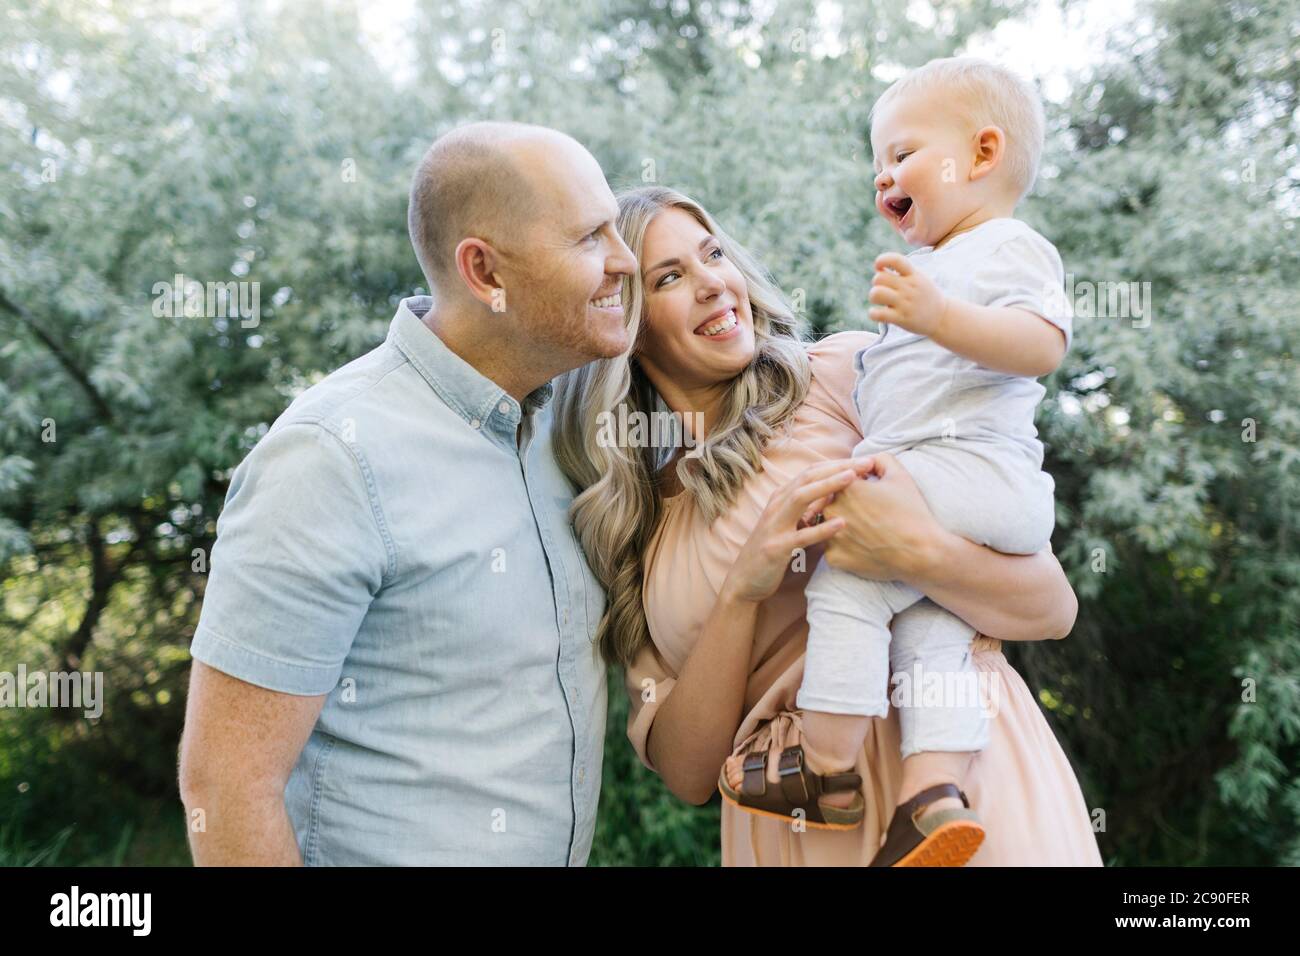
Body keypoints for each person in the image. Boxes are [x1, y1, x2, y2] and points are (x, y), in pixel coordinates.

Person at [553, 184, 1103, 866]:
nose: (712, 284)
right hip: (788, 818)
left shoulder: (846, 376)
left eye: (713, 253)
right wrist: (742, 592)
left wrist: (919, 552)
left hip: (948, 778)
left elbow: (1051, 606)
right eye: (670, 277)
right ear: (629, 327)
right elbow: (689, 772)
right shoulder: (628, 525)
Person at [178, 121, 638, 865]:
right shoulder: (330, 459)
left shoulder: (564, 426)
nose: (625, 259)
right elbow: (226, 789)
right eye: (590, 237)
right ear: (486, 273)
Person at [793, 56, 1074, 866]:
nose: (883, 176)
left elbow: (1041, 346)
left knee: (847, 577)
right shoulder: (944, 262)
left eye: (902, 154)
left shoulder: (1006, 247)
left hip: (974, 474)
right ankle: (931, 794)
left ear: (981, 155)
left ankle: (825, 768)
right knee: (932, 629)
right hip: (969, 488)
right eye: (877, 163)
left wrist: (938, 313)